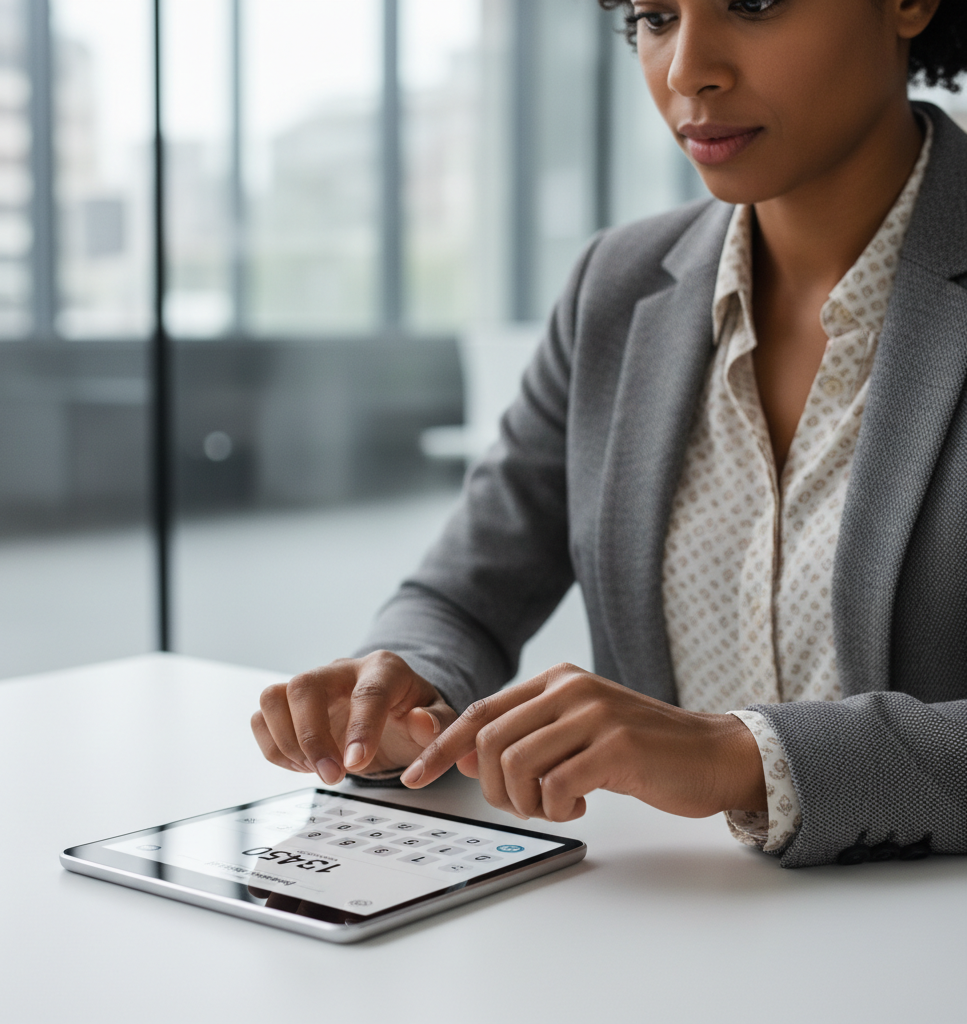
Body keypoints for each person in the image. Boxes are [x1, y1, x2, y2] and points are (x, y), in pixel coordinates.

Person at [252, 0, 967, 868]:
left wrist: (741, 757)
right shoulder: (617, 288)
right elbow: (461, 594)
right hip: (659, 927)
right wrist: (400, 680)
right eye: (655, 16)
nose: (686, 71)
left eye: (752, 4)